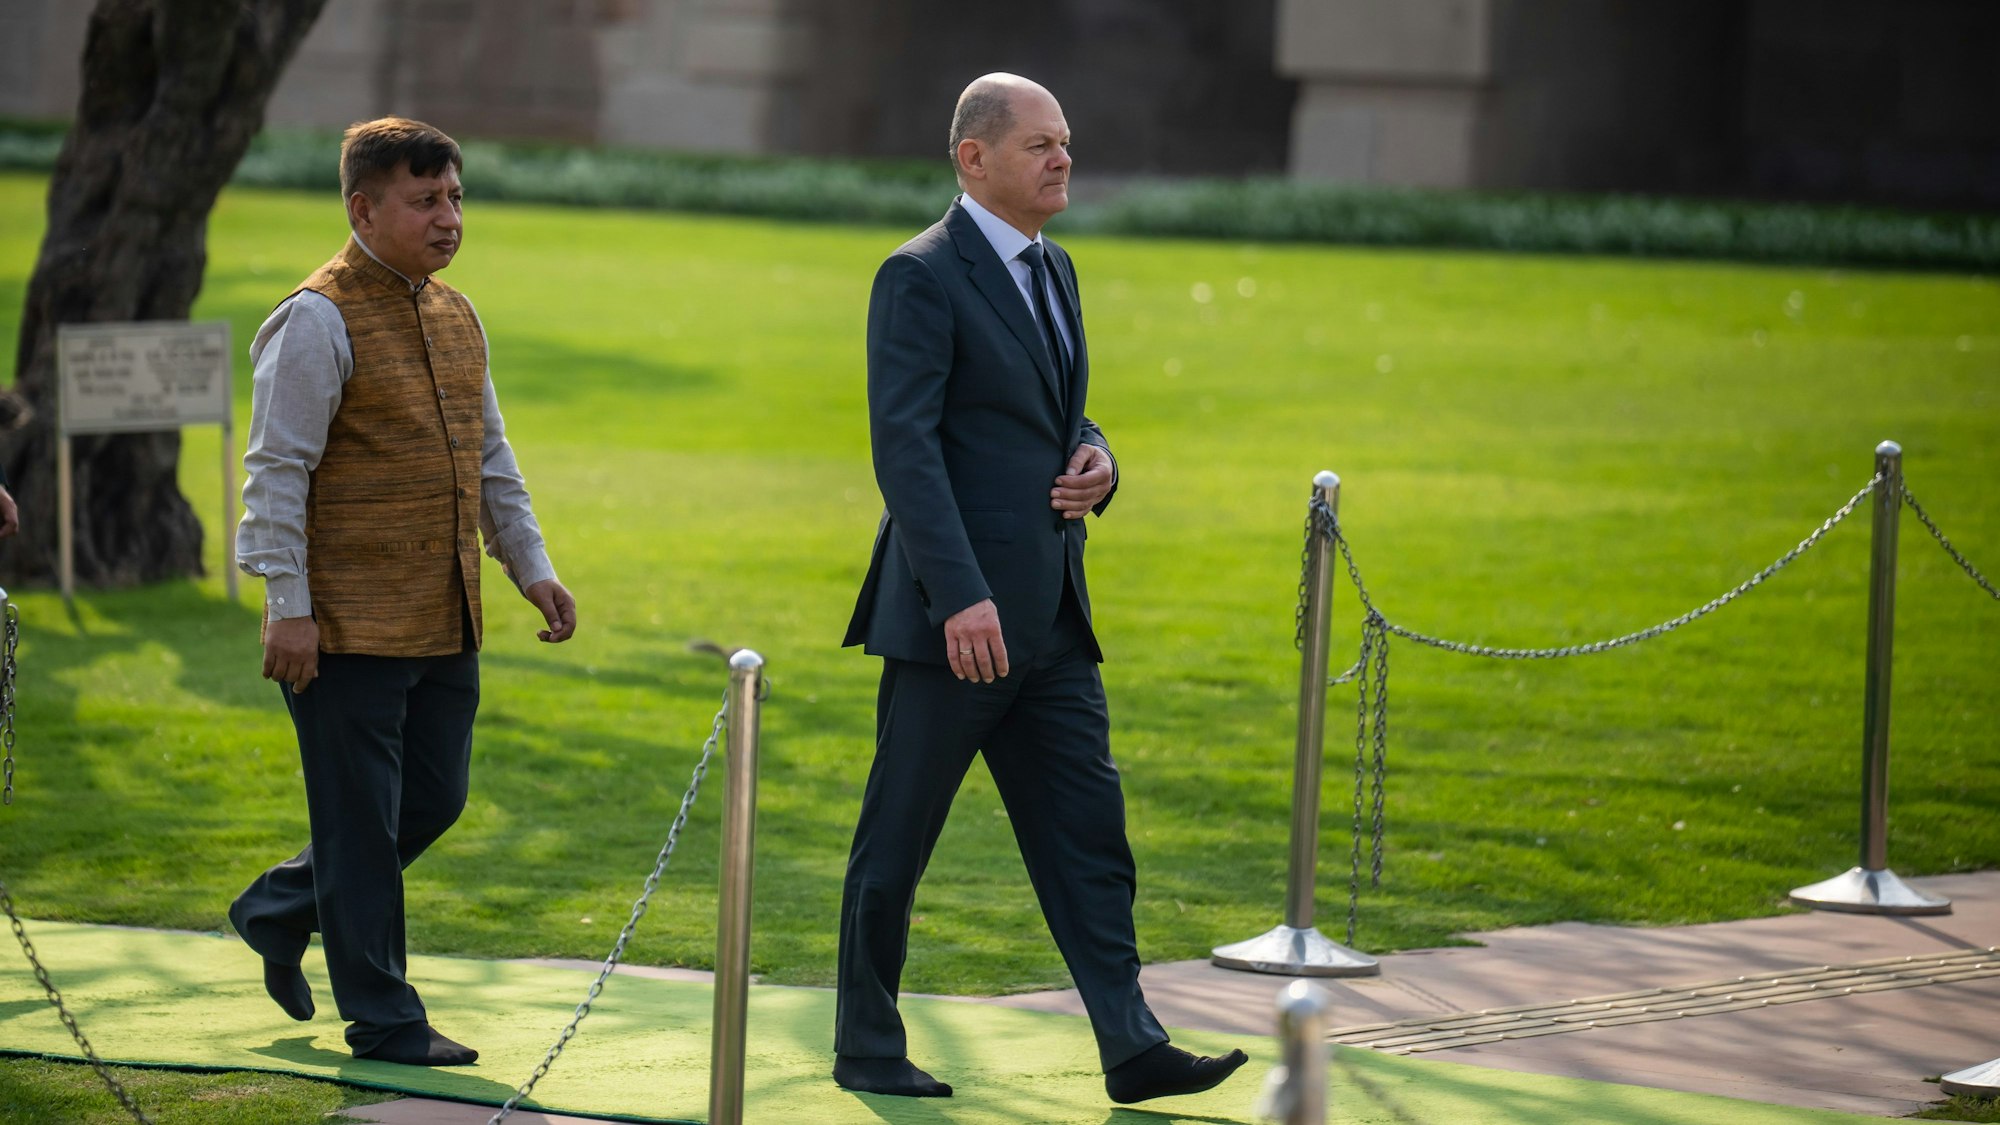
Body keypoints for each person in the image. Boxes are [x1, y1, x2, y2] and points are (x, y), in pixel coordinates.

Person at [834, 74, 1247, 1104]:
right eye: (1038, 145)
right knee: (895, 846)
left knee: (1088, 841)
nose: (1062, 159)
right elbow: (907, 450)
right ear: (972, 158)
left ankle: (1130, 1045)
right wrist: (959, 593)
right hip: (956, 625)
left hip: (1055, 620)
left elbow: (1060, 411)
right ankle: (865, 1045)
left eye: (1065, 143)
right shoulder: (917, 275)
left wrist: (1099, 458)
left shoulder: (1054, 269)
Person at [229, 117, 576, 1066]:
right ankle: (384, 1020)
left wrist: (531, 566)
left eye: (455, 197)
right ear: (362, 208)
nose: (449, 217)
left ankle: (277, 906)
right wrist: (286, 605)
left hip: (443, 612)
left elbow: (490, 458)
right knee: (360, 824)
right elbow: (275, 473)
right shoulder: (315, 318)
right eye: (425, 201)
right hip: (340, 627)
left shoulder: (456, 312)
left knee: (433, 798)